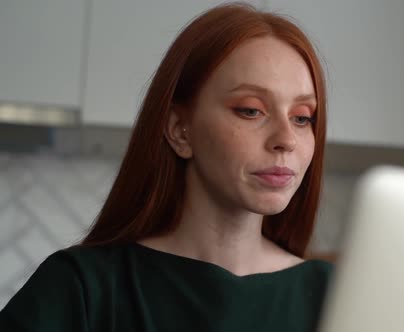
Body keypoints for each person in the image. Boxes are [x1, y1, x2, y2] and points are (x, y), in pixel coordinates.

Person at [0, 2, 332, 331]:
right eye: (250, 110)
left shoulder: (333, 298)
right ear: (179, 130)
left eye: (303, 117)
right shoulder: (79, 288)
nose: (286, 139)